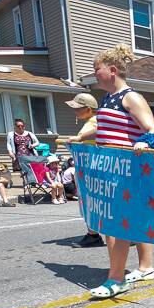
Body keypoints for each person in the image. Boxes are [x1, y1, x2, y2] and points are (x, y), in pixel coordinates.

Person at [86, 45, 154, 299]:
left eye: (96, 69)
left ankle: (116, 279)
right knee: (116, 224)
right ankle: (142, 268)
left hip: (128, 173)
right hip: (110, 172)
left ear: (112, 70)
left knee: (117, 226)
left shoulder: (130, 97)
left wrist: (144, 142)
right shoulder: (108, 99)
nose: (93, 73)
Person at [64, 92, 105, 248]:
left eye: (78, 108)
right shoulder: (91, 121)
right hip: (90, 168)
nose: (75, 111)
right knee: (93, 201)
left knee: (97, 201)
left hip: (96, 169)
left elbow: (100, 136)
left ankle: (97, 235)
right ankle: (93, 233)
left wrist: (78, 140)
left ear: (88, 109)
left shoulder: (94, 122)